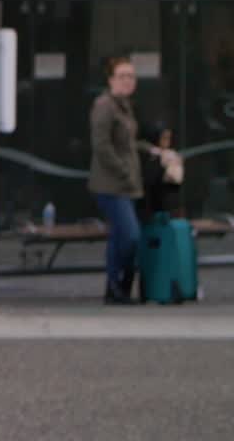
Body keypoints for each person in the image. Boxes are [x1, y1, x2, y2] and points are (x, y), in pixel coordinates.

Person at [88, 56, 146, 305]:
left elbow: (128, 143)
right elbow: (101, 145)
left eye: (131, 76)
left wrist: (152, 150)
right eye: (122, 76)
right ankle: (119, 284)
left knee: (120, 235)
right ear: (111, 79)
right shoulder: (105, 105)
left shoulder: (124, 106)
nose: (127, 81)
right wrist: (123, 170)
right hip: (111, 184)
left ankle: (116, 288)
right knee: (130, 235)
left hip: (128, 184)